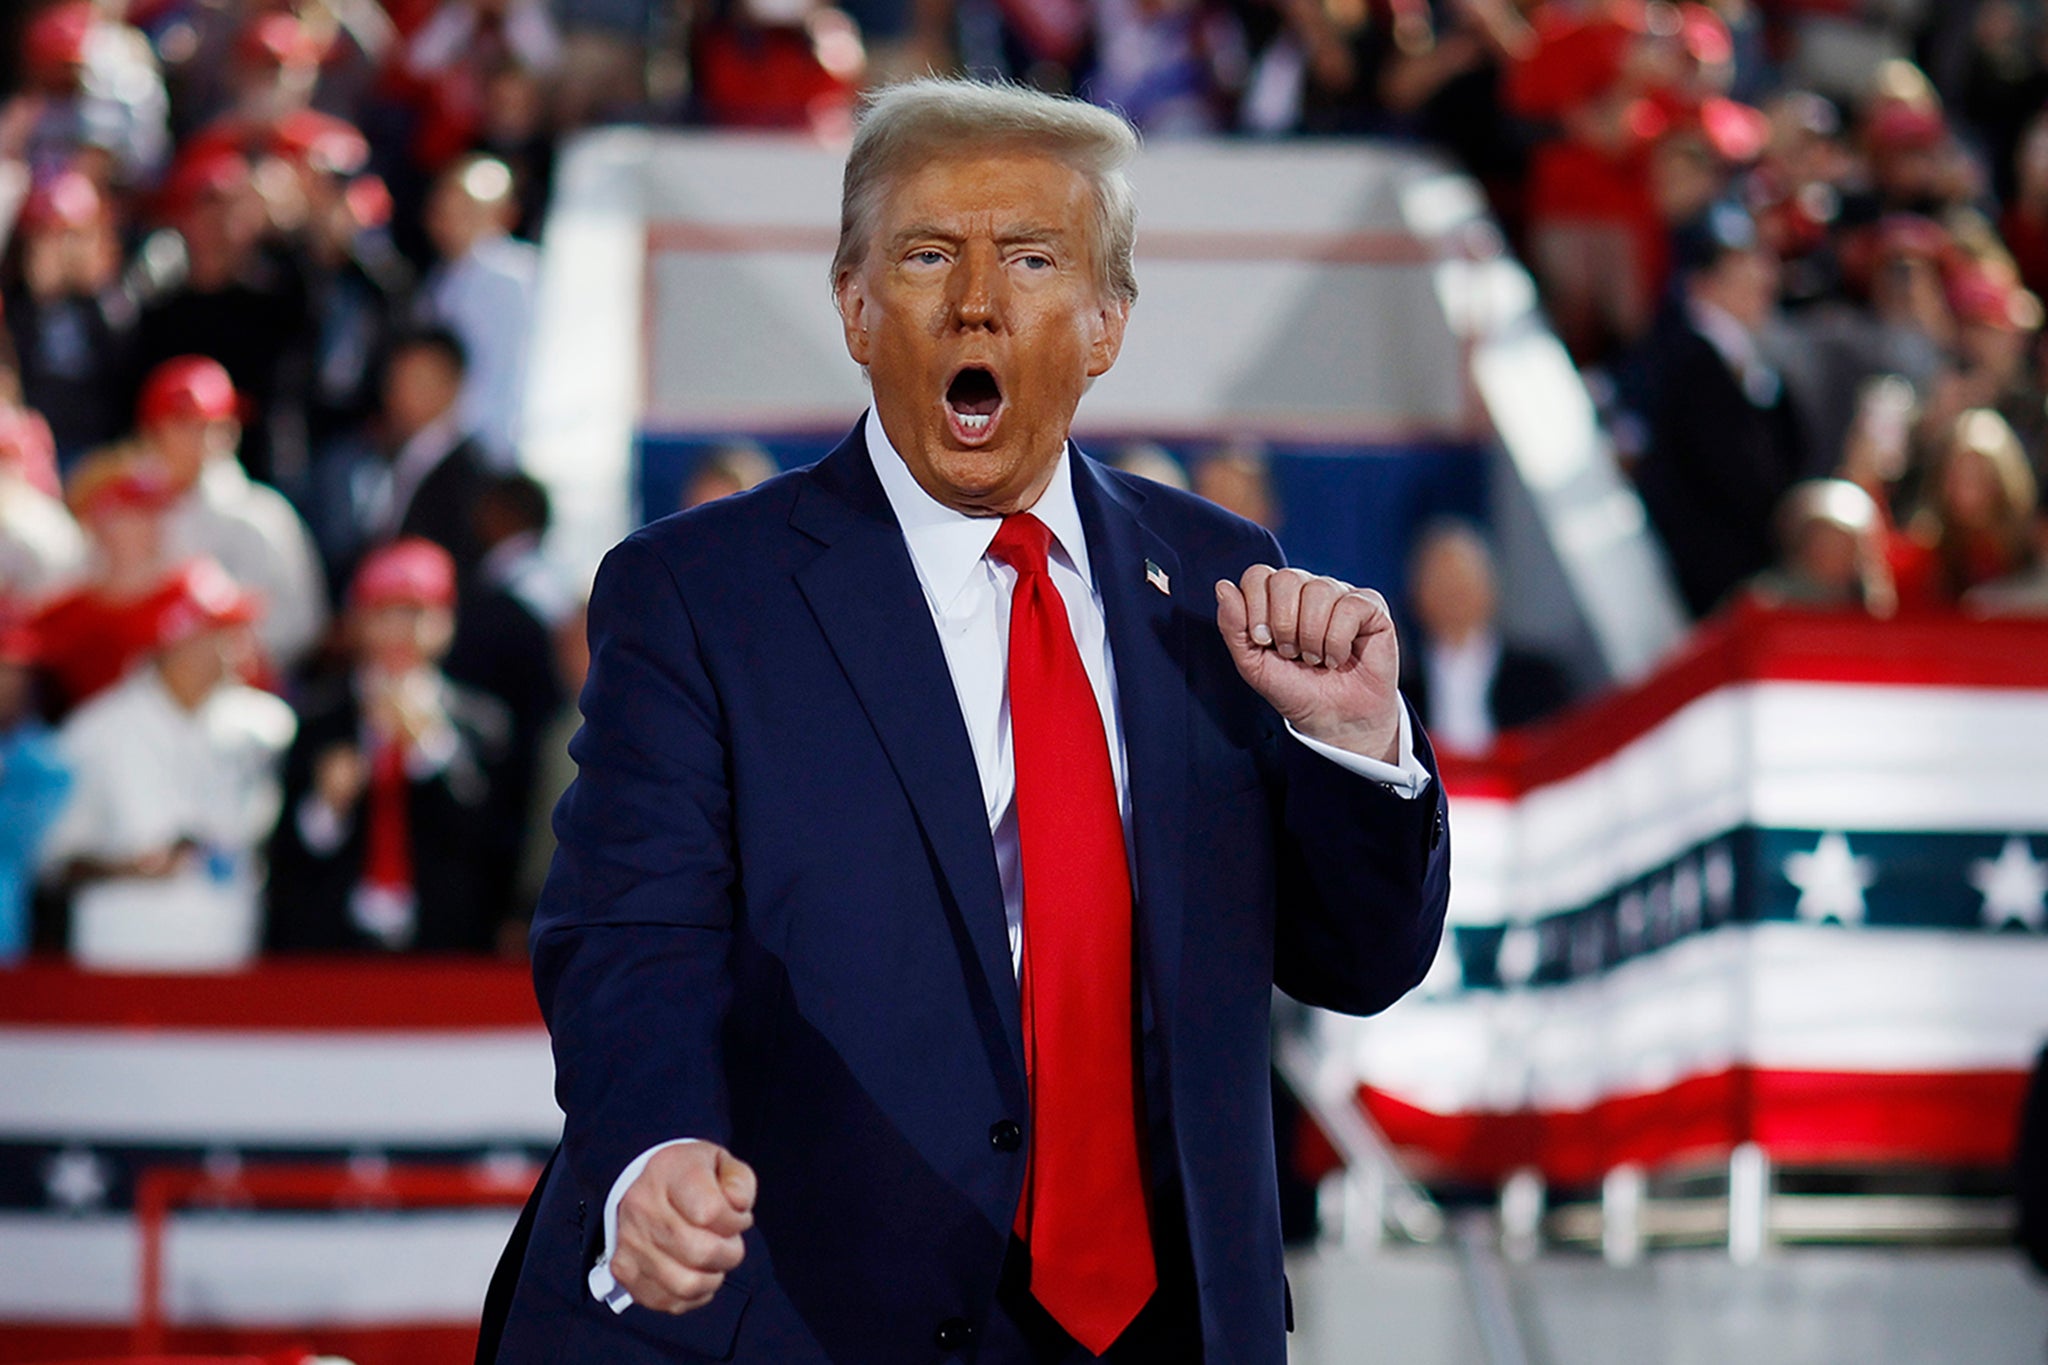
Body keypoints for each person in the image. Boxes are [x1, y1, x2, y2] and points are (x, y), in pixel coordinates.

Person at [481, 78, 1450, 1364]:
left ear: (1105, 325)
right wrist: (654, 1151)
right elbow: (630, 940)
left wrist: (1355, 745)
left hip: (1160, 1331)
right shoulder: (700, 595)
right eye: (928, 255)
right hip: (810, 1321)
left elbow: (1359, 961)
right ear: (853, 306)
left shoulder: (1216, 581)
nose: (977, 301)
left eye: (1033, 259)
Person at [39, 558, 294, 971]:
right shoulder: (95, 733)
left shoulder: (268, 726)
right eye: (219, 631)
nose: (237, 644)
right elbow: (55, 861)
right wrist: (128, 869)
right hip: (123, 957)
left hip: (232, 953)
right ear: (176, 639)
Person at [267, 538, 511, 953]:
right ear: (357, 623)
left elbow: (491, 846)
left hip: (444, 951)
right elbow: (286, 857)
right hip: (335, 951)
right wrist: (327, 806)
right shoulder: (318, 718)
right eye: (384, 613)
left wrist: (430, 751)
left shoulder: (480, 723)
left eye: (416, 613)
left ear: (446, 623)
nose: (401, 631)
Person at [1631, 202, 1809, 618]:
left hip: (1733, 575)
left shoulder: (1743, 360)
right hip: (1710, 586)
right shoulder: (1690, 362)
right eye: (1743, 264)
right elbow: (1735, 476)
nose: (1762, 276)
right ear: (1702, 282)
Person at [141, 355, 330, 674]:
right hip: (150, 691)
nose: (195, 440)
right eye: (180, 424)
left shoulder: (263, 515)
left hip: (245, 684)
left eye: (207, 426)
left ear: (231, 431)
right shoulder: (127, 508)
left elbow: (303, 622)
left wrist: (225, 654)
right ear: (153, 432)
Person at [1398, 519, 1571, 756]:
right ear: (1417, 596)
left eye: (1462, 581)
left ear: (1490, 587)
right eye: (1442, 584)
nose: (1454, 595)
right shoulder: (1401, 696)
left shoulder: (1538, 678)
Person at [417, 154, 539, 464]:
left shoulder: (513, 274)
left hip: (493, 445)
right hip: (453, 445)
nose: (453, 218)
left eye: (468, 209)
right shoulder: (441, 278)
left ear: (503, 214)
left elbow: (506, 368)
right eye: (447, 208)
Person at [358, 325, 491, 578]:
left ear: (453, 384)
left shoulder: (469, 474)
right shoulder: (397, 455)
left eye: (417, 379)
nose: (399, 393)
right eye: (395, 379)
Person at [0, 607, 70, 963]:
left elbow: (32, 850)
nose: (7, 682)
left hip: (13, 951)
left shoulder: (46, 762)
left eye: (16, 671)